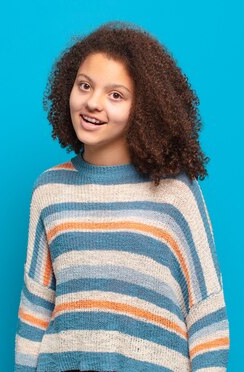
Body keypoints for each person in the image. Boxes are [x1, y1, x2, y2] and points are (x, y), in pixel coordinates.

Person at [14, 21, 230, 372]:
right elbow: (35, 306)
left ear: (144, 109)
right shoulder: (49, 189)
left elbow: (207, 310)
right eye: (85, 86)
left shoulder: (176, 193)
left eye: (116, 95)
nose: (93, 103)